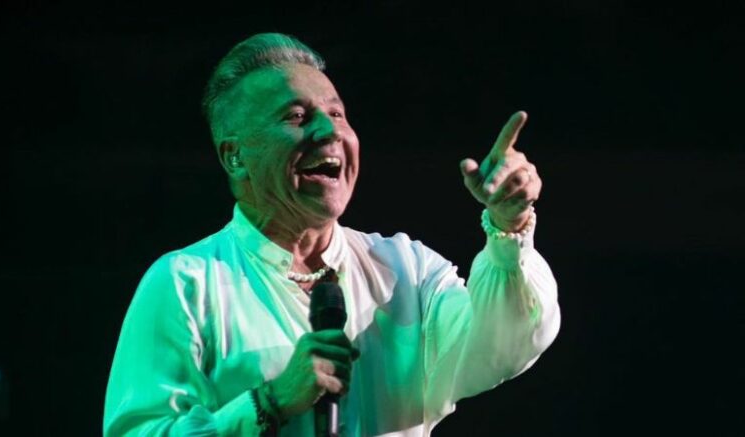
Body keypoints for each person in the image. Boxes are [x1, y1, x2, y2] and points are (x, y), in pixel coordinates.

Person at [103, 33, 560, 436]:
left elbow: (502, 344)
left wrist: (509, 223)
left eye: (337, 114)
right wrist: (268, 403)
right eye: (297, 116)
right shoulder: (186, 283)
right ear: (235, 157)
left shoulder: (407, 272)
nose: (329, 131)